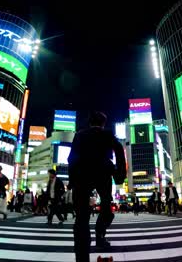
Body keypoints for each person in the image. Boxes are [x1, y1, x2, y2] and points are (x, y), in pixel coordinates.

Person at [68, 111, 126, 262]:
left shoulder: (80, 135)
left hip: (82, 175)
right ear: (103, 123)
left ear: (89, 122)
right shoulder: (107, 135)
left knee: (81, 218)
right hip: (103, 173)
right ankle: (100, 234)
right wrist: (120, 175)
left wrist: (72, 180)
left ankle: (82, 257)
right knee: (106, 206)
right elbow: (119, 150)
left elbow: (71, 157)